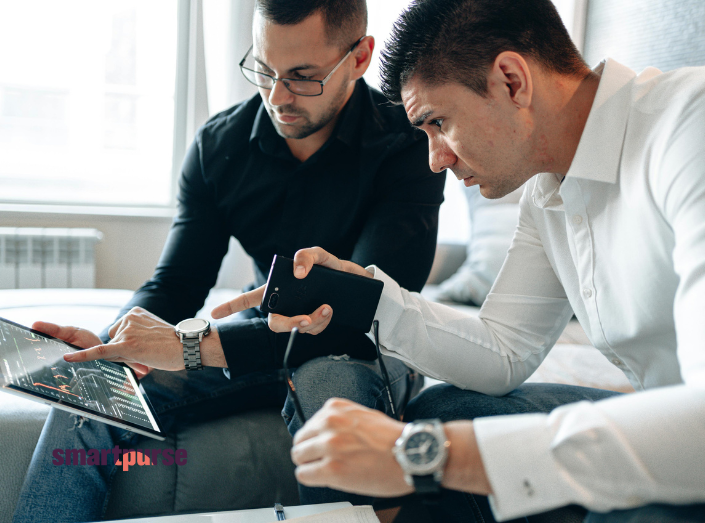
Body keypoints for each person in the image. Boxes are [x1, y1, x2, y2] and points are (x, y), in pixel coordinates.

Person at [206, 0, 705, 521]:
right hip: (670, 415)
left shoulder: (688, 127)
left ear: (512, 81)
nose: (435, 159)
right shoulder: (546, 192)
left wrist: (430, 458)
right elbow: (505, 352)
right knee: (441, 414)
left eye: (438, 122)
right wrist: (364, 297)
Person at [11, 1, 445, 522]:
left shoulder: (411, 142)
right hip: (257, 338)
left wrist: (191, 348)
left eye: (303, 76)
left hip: (368, 348)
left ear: (359, 58)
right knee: (96, 388)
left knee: (328, 386)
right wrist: (117, 341)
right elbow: (177, 283)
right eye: (264, 70)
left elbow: (361, 316)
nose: (277, 97)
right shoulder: (220, 145)